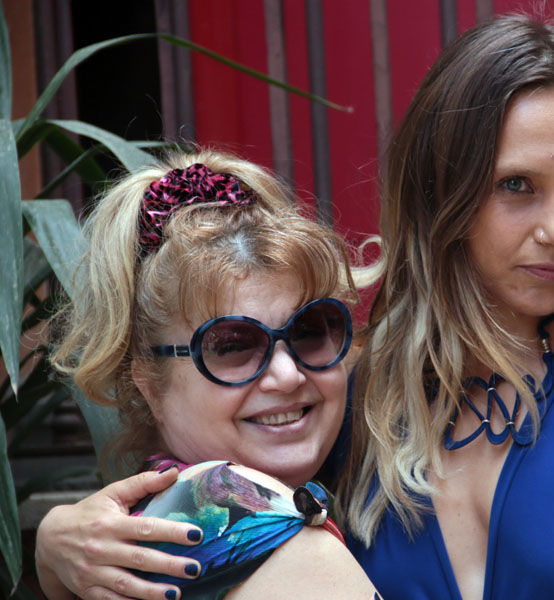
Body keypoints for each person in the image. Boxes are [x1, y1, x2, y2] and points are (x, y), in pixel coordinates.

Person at [36, 16, 554, 600]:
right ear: (440, 193)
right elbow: (198, 507)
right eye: (516, 186)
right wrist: (57, 544)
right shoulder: (335, 398)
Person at [37, 151, 379, 600]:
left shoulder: (139, 528)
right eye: (232, 345)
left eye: (311, 329)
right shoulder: (258, 527)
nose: (287, 374)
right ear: (149, 385)